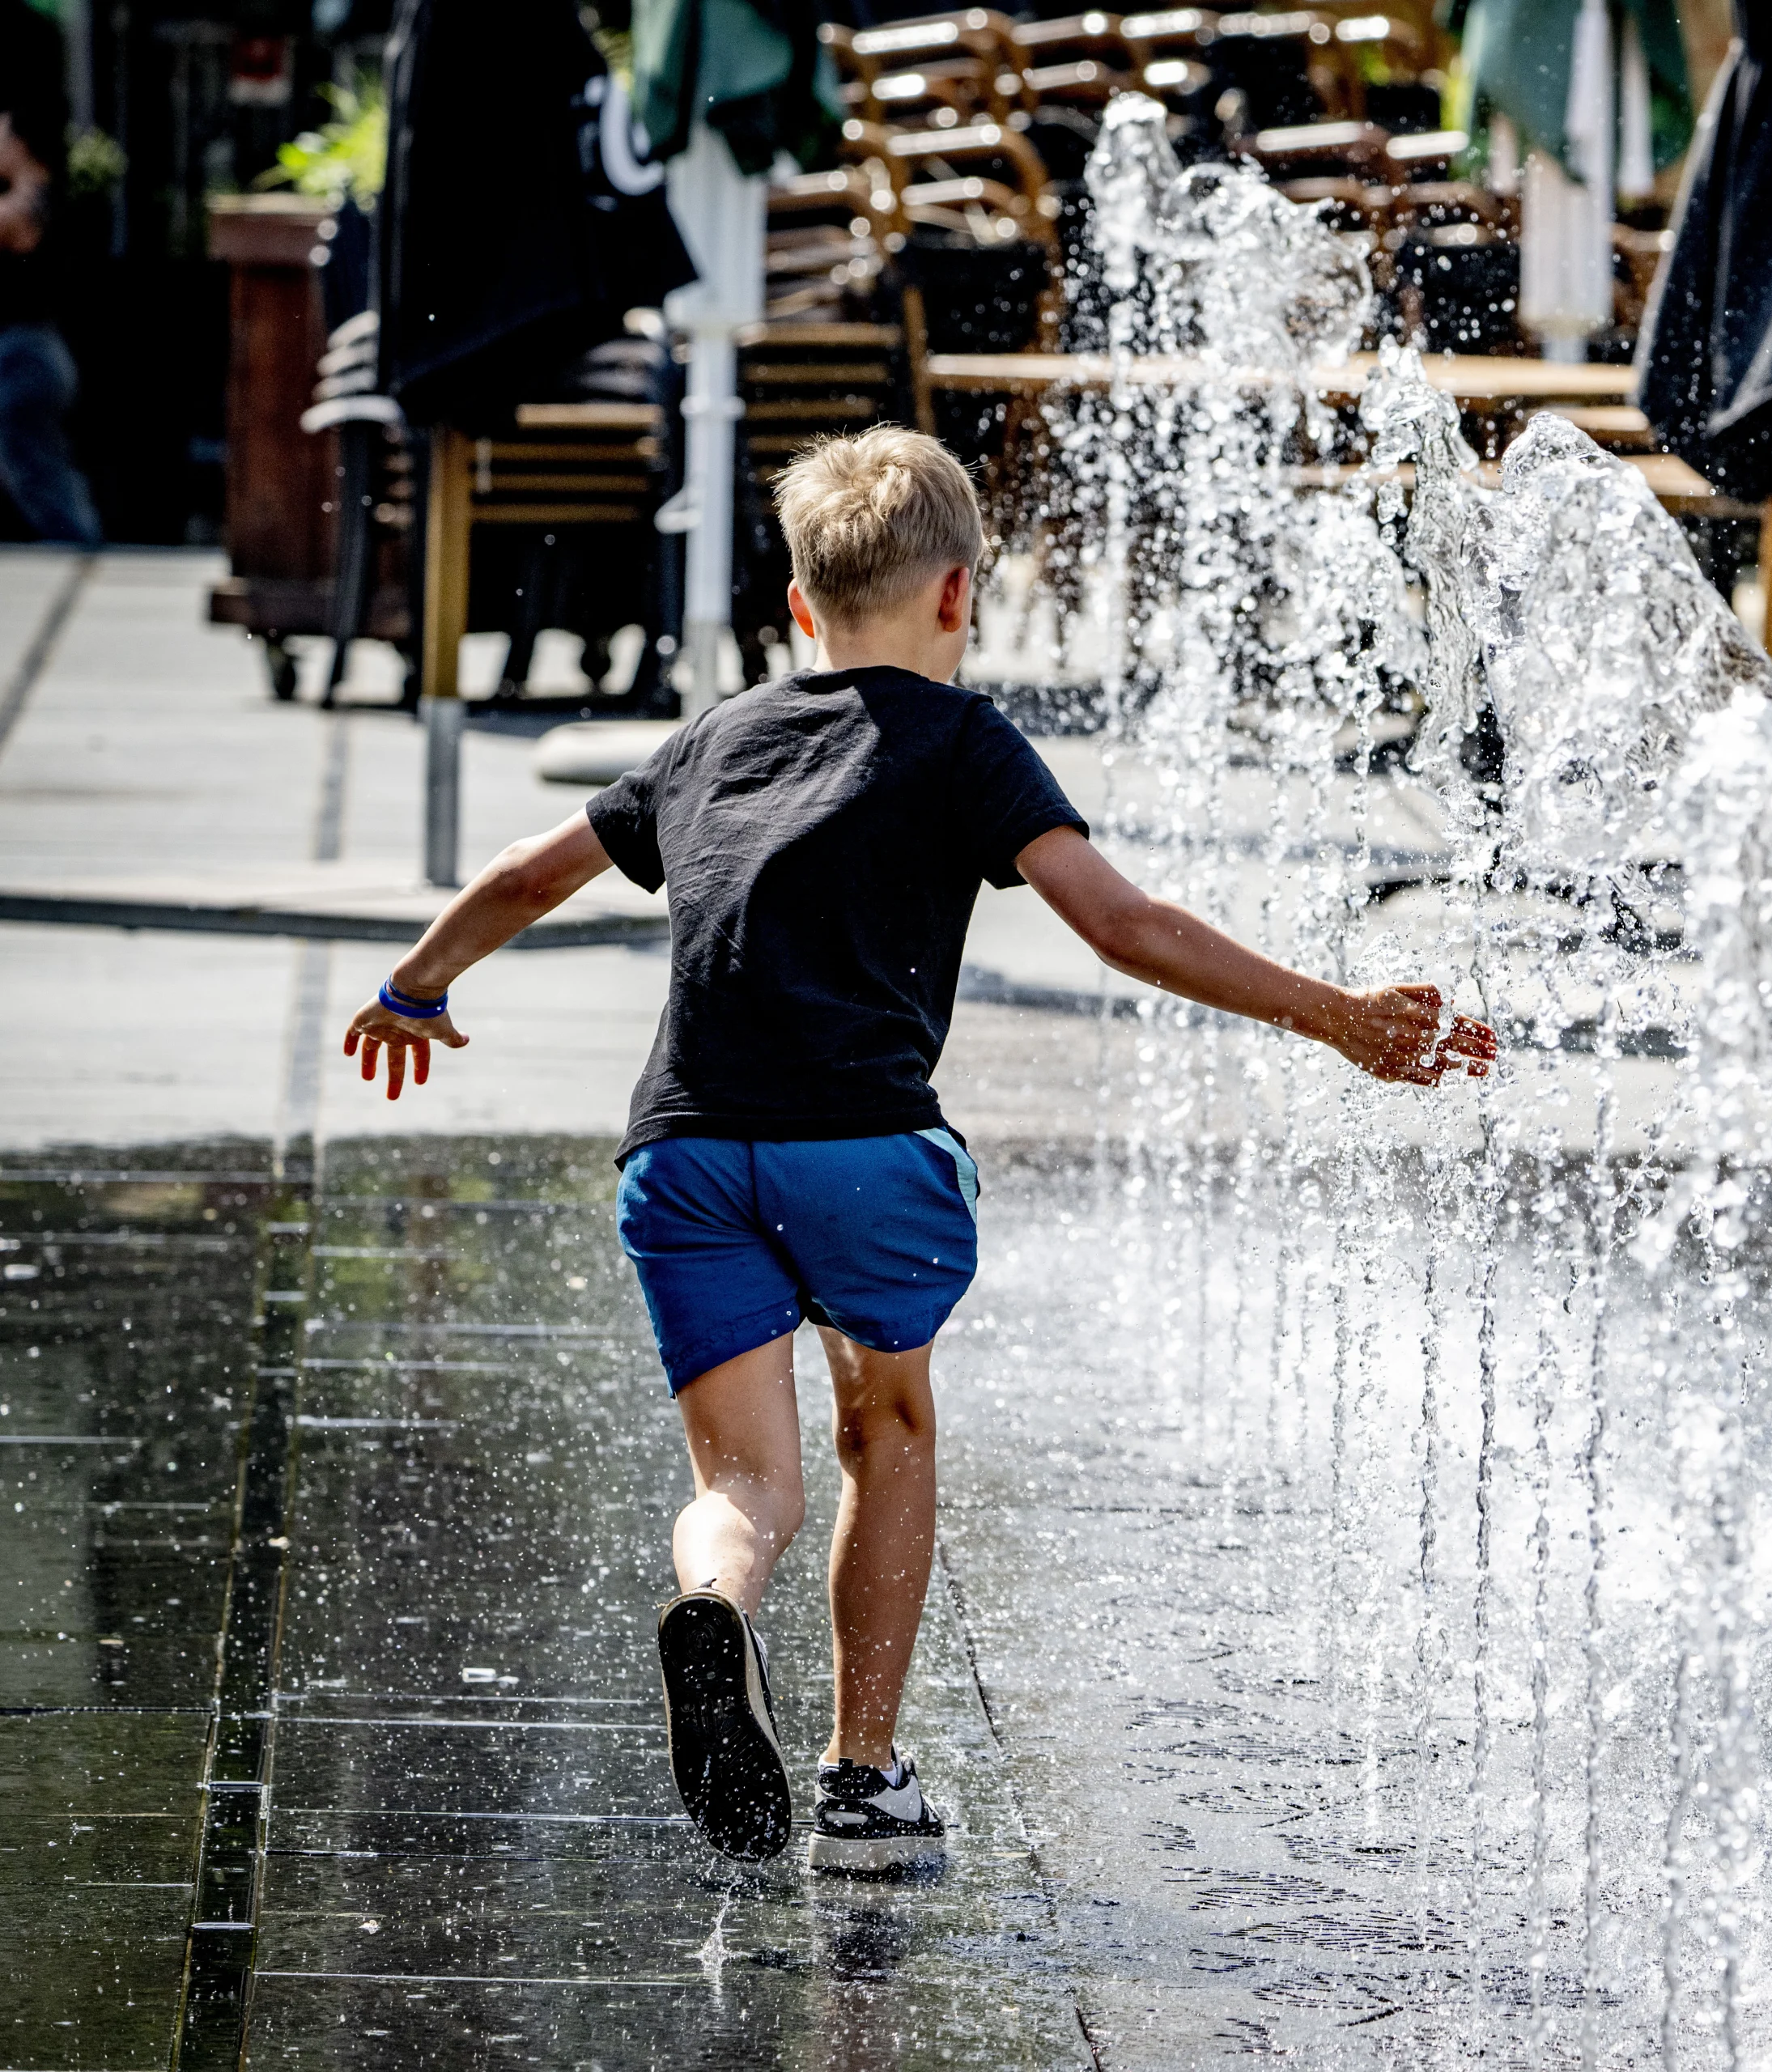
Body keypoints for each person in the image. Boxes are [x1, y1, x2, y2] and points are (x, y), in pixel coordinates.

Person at [338, 427, 1496, 1873]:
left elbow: (527, 874)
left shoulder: (717, 734)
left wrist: (414, 989)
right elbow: (1126, 925)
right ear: (960, 598)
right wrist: (1334, 1017)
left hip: (682, 1154)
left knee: (742, 1487)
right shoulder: (964, 742)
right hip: (866, 1157)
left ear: (798, 604)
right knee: (887, 1427)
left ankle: (714, 1609)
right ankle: (862, 1778)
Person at [0, 0, 100, 546]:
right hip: (28, 351)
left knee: (40, 480)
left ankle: (81, 553)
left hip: (24, 354)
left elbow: (16, 228)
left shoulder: (33, 197)